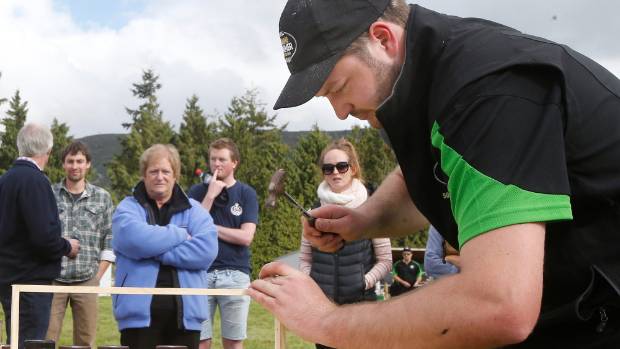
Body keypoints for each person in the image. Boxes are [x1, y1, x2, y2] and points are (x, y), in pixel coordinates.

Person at [247, 0, 620, 348]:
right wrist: (364, 219)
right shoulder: (425, 85)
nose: (340, 111)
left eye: (338, 88)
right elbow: (427, 176)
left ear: (382, 38)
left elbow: (497, 303)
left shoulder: (486, 91)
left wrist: (325, 321)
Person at [112, 144, 218, 349]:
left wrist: (151, 250)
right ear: (144, 175)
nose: (159, 177)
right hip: (137, 320)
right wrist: (179, 234)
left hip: (186, 321)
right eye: (153, 171)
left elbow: (206, 251)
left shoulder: (195, 211)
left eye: (165, 171)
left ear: (175, 175)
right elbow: (132, 240)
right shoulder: (127, 207)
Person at [298, 138, 392, 349]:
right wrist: (310, 282)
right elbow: (304, 258)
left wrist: (364, 280)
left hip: (361, 307)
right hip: (323, 308)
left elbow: (385, 260)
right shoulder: (312, 212)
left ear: (353, 169)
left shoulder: (371, 209)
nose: (335, 173)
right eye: (328, 168)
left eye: (342, 166)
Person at [0, 123, 80, 349]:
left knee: (16, 340)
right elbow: (43, 237)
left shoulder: (5, 180)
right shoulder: (35, 181)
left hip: (8, 277)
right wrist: (66, 246)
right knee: (29, 342)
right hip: (30, 281)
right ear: (49, 151)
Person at [187, 138, 258, 349]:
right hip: (200, 272)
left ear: (234, 162)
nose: (216, 164)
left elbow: (246, 237)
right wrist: (209, 196)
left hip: (235, 273)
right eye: (213, 159)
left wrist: (209, 228)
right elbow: (190, 231)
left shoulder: (246, 193)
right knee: (199, 341)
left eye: (222, 159)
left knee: (234, 342)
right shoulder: (197, 192)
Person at [44, 141, 115, 347]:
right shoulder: (48, 194)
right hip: (54, 279)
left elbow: (109, 240)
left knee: (86, 341)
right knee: (46, 338)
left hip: (87, 280)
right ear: (63, 165)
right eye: (70, 161)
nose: (75, 166)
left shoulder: (102, 198)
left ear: (88, 164)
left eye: (80, 161)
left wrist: (97, 277)